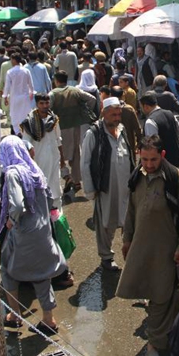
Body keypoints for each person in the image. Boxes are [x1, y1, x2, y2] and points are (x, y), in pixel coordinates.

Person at [117, 135, 179, 356]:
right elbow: (130, 211)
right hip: (141, 248)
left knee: (163, 296)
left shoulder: (176, 180)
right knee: (157, 295)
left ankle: (153, 346)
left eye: (153, 160)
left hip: (166, 251)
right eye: (145, 159)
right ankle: (172, 336)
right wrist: (126, 239)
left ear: (163, 156)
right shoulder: (137, 176)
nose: (148, 165)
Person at [0, 136, 68, 336]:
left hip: (23, 234)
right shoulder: (34, 169)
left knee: (7, 269)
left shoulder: (12, 173)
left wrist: (10, 220)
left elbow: (18, 205)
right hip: (42, 232)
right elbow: (49, 197)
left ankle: (14, 315)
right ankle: (48, 319)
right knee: (41, 273)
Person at [80, 97, 135, 271]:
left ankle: (131, 252)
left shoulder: (122, 129)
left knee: (129, 219)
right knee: (106, 223)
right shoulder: (94, 133)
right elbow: (85, 163)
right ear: (104, 113)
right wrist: (90, 189)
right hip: (106, 186)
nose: (117, 118)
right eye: (113, 114)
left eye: (119, 114)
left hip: (125, 185)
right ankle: (106, 256)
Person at [49, 72, 98, 194]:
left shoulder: (53, 94)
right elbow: (92, 99)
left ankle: (67, 176)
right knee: (76, 153)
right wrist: (83, 113)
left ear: (56, 80)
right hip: (75, 126)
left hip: (59, 127)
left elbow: (47, 109)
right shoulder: (75, 91)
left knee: (58, 154)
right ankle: (77, 181)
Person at [20, 93, 63, 208]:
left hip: (54, 158)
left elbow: (58, 140)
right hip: (39, 160)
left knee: (55, 188)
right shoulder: (29, 122)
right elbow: (26, 143)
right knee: (41, 187)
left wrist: (62, 159)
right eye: (41, 103)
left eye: (47, 103)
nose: (45, 106)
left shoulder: (54, 119)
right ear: (37, 104)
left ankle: (57, 216)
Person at [140, 91, 179, 168]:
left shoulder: (150, 122)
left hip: (164, 167)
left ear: (146, 106)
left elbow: (152, 147)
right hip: (177, 160)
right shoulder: (169, 113)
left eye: (141, 107)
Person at [2, 53, 35, 135]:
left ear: (14, 60)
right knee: (25, 115)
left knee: (15, 115)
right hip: (25, 97)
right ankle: (25, 133)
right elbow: (31, 85)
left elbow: (7, 87)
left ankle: (17, 133)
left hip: (14, 98)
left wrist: (5, 97)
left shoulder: (10, 72)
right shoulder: (26, 71)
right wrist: (31, 93)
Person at [109, 85, 142, 153]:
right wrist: (139, 144)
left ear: (110, 95)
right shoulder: (129, 109)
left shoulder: (106, 110)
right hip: (128, 145)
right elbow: (137, 128)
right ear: (123, 95)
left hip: (111, 146)